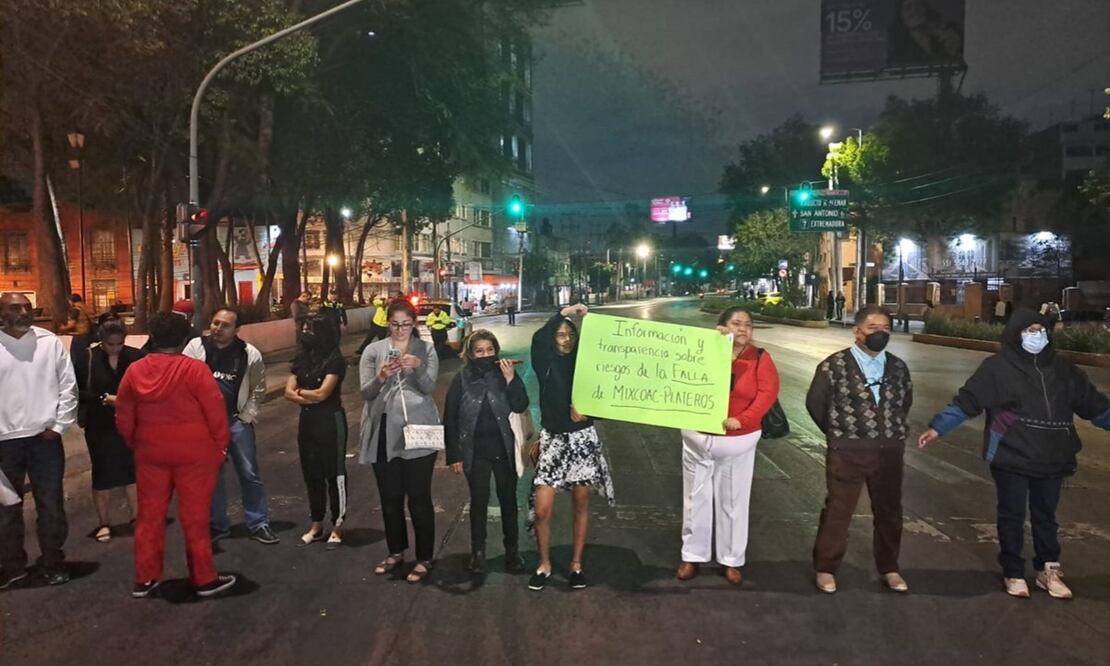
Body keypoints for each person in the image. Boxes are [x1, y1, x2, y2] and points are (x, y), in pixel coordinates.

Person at [918, 308, 1110, 599]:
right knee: (1012, 514)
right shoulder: (998, 368)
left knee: (1046, 516)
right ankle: (1013, 571)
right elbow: (968, 401)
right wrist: (939, 428)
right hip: (1012, 454)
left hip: (1053, 456)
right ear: (1015, 334)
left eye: (1041, 329)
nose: (1037, 335)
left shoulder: (1066, 373)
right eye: (1030, 330)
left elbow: (1095, 407)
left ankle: (1048, 569)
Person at [114, 312, 236, 598]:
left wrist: (136, 442)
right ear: (184, 338)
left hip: (150, 451)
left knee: (149, 516)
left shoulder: (135, 371)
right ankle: (204, 578)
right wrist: (220, 447)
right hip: (195, 452)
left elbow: (124, 415)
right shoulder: (195, 370)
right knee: (195, 516)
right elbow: (215, 412)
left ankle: (146, 578)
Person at [805, 306, 913, 594]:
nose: (880, 333)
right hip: (848, 451)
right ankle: (826, 568)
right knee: (839, 511)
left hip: (889, 451)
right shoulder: (834, 366)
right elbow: (816, 404)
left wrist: (890, 432)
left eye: (886, 328)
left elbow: (904, 403)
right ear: (857, 331)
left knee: (890, 511)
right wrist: (841, 433)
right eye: (873, 328)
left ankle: (889, 567)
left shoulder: (898, 367)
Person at [677, 307, 779, 585]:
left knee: (733, 501)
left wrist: (742, 419)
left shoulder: (760, 358)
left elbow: (766, 395)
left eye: (748, 324)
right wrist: (712, 345)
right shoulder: (705, 352)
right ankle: (692, 556)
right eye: (736, 323)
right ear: (723, 326)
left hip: (738, 440)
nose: (742, 329)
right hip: (698, 438)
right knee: (694, 499)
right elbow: (682, 378)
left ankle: (731, 560)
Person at [528, 304, 614, 591]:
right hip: (552, 439)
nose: (565, 339)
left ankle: (576, 565)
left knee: (580, 504)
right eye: (560, 334)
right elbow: (538, 338)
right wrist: (564, 313)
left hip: (581, 440)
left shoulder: (587, 364)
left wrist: (589, 413)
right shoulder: (545, 361)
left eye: (570, 335)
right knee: (542, 509)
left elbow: (607, 399)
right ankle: (544, 564)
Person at [358, 300, 440, 584]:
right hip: (382, 432)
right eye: (395, 324)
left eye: (406, 324)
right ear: (387, 324)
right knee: (390, 499)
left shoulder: (425, 349)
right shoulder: (373, 350)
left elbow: (429, 386)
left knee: (419, 498)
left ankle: (425, 557)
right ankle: (396, 551)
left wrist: (417, 366)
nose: (401, 329)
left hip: (419, 432)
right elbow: (366, 393)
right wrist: (382, 375)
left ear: (414, 323)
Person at [0, 293, 78, 589]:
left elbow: (68, 387)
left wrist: (58, 427)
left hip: (44, 440)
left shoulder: (49, 343)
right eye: (14, 308)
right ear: (1, 313)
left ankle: (53, 561)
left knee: (50, 504)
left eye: (27, 307)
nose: (23, 313)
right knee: (6, 509)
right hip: (5, 443)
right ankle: (13, 566)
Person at [183, 307, 277, 545]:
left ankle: (258, 523)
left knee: (249, 474)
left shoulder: (248, 353)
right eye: (215, 323)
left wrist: (245, 418)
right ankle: (217, 525)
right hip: (205, 426)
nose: (218, 329)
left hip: (236, 423)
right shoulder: (196, 347)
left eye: (225, 325)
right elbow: (184, 382)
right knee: (212, 476)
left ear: (236, 330)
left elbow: (258, 388)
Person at [444, 330, 529, 574]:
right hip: (475, 451)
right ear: (470, 354)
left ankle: (512, 551)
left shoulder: (504, 373)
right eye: (479, 351)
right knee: (479, 503)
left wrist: (511, 379)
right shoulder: (461, 378)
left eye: (490, 350)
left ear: (496, 351)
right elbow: (450, 418)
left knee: (508, 502)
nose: (485, 355)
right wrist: (455, 455)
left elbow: (520, 404)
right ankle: (478, 552)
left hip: (504, 449)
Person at [285, 315, 349, 549]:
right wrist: (309, 395)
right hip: (308, 422)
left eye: (309, 329)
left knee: (335, 475)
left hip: (331, 422)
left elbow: (324, 393)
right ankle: (316, 524)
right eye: (302, 328)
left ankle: (338, 525)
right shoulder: (301, 359)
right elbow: (287, 392)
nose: (304, 333)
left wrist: (302, 393)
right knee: (312, 474)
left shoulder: (335, 360)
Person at [78, 320, 143, 543]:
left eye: (119, 344)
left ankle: (137, 518)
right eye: (110, 344)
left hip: (130, 422)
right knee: (102, 472)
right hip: (99, 424)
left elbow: (146, 387)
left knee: (132, 471)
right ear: (101, 340)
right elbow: (76, 389)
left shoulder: (135, 356)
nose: (115, 348)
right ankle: (103, 522)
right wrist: (103, 398)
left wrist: (126, 400)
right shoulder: (88, 358)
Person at [58, 293, 95, 375]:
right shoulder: (86, 307)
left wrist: (62, 328)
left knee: (76, 357)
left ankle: (78, 374)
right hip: (87, 334)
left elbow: (72, 323)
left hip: (78, 335)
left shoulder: (76, 309)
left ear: (71, 301)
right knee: (86, 355)